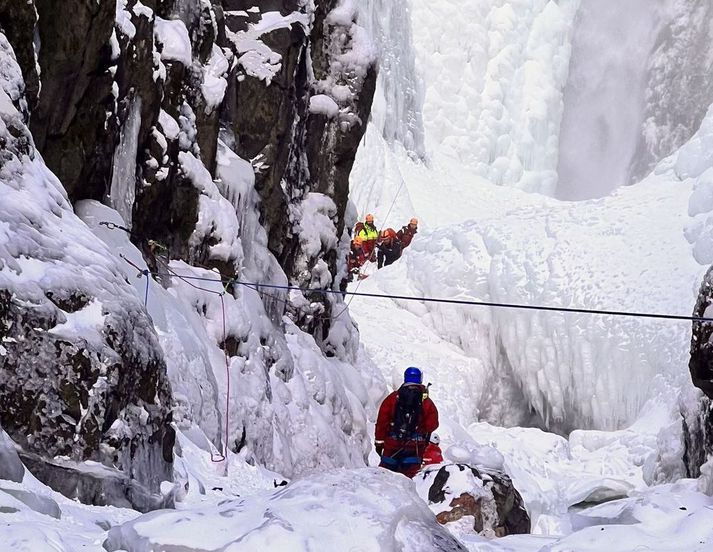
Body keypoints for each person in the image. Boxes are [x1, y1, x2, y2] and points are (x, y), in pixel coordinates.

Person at [375, 367, 439, 478]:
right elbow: (432, 424)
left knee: (384, 478)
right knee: (409, 480)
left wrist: (379, 443)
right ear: (420, 379)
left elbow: (382, 420)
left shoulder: (393, 398)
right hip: (414, 448)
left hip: (392, 446)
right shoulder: (425, 401)